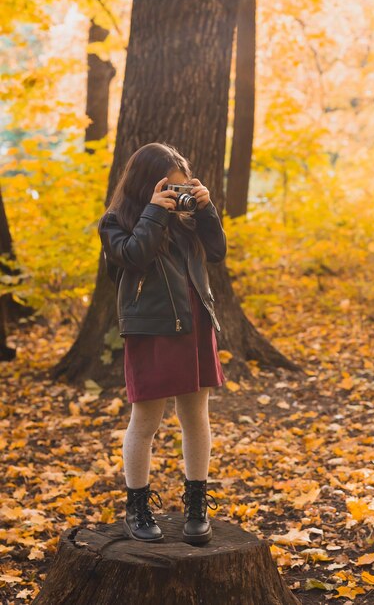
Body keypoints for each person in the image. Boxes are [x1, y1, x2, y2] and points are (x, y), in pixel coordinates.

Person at [97, 142, 227, 545]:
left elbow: (219, 253)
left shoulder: (188, 219)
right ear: (146, 184)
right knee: (146, 420)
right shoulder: (116, 221)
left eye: (181, 187)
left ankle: (196, 505)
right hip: (151, 329)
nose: (177, 196)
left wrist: (205, 209)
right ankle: (136, 507)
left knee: (196, 418)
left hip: (194, 323)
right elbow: (133, 256)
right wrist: (155, 211)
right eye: (169, 188)